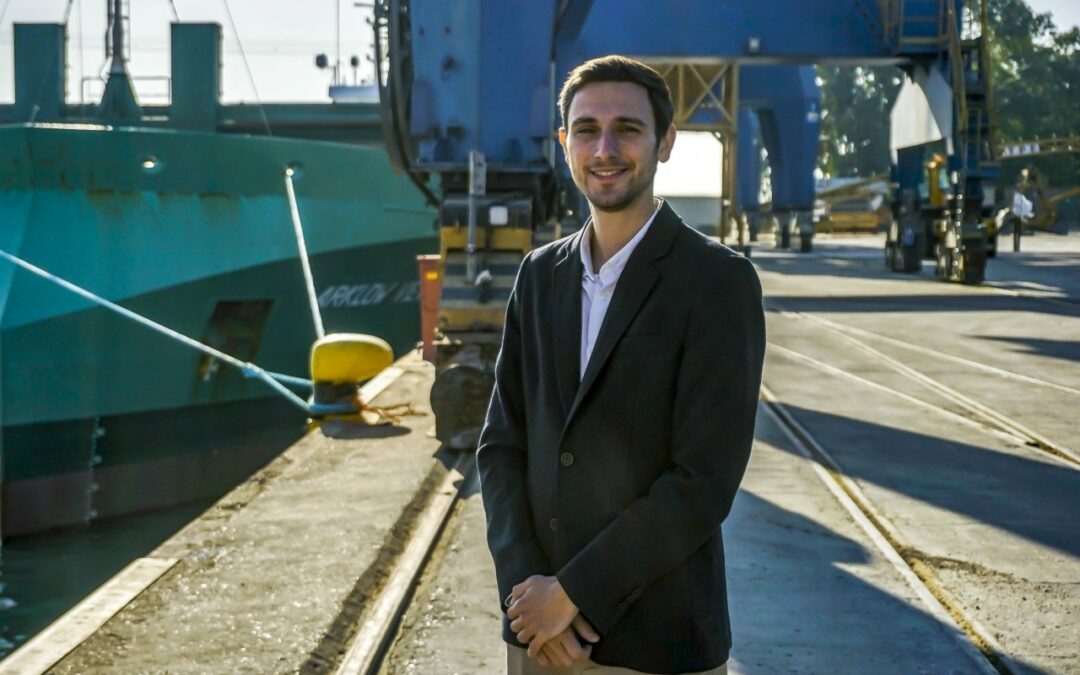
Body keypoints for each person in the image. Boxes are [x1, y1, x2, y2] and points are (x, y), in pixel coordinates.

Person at [477, 54, 766, 675]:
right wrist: (529, 596)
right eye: (586, 130)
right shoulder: (537, 276)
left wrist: (574, 595)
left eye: (627, 129)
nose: (604, 148)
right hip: (537, 638)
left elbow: (703, 480)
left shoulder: (718, 282)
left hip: (657, 642)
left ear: (665, 142)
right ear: (565, 144)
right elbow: (501, 447)